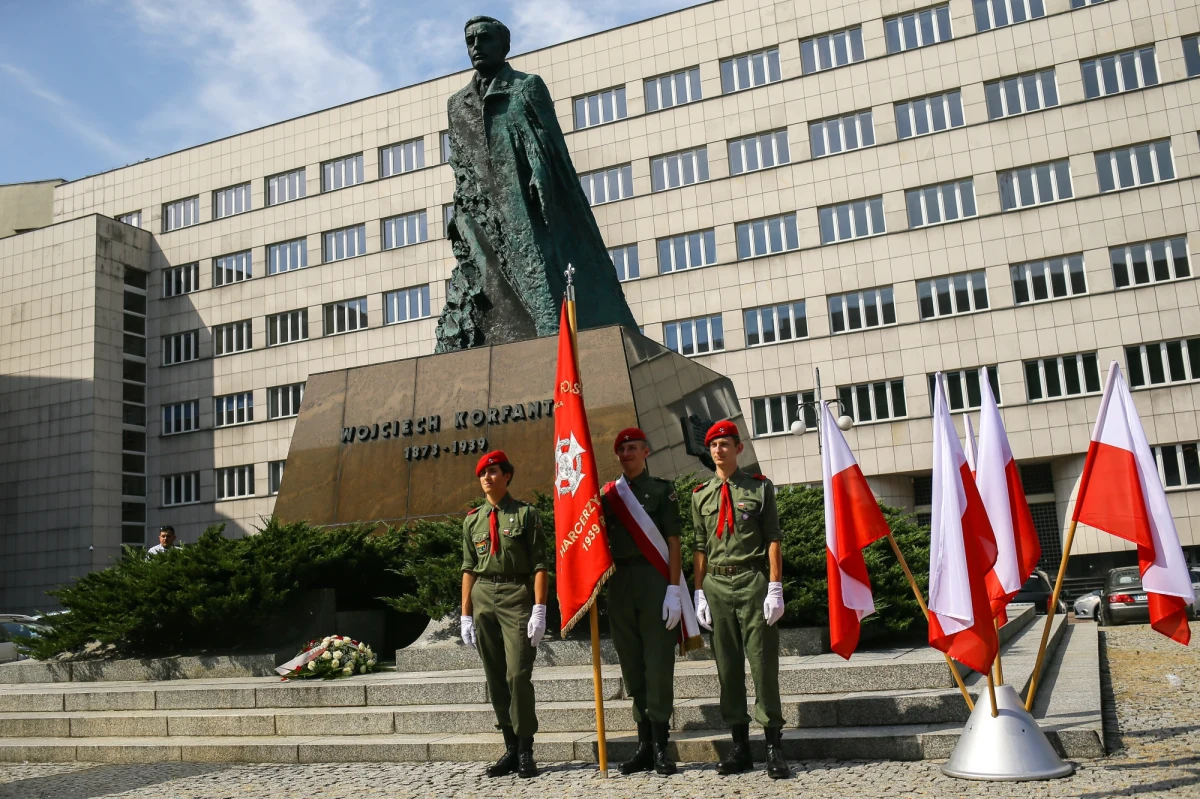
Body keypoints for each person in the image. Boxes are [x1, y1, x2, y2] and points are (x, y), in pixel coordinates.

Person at [435, 15, 637, 351]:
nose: (476, 47)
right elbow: (459, 161)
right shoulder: (457, 104)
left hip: (524, 204)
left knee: (539, 276)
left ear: (504, 46)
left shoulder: (526, 86)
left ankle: (552, 344)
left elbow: (549, 144)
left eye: (484, 39)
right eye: (470, 41)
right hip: (480, 209)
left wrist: (541, 179)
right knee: (488, 285)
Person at [691, 420, 790, 779]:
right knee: (728, 669)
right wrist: (697, 590)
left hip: (752, 581)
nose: (718, 450)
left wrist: (775, 586)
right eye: (713, 445)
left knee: (763, 667)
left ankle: (773, 748)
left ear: (738, 449)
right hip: (717, 586)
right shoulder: (700, 494)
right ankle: (740, 748)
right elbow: (699, 545)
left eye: (725, 444)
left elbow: (773, 538)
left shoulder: (759, 489)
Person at [600, 428, 687, 775]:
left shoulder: (662, 491)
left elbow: (674, 541)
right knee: (631, 664)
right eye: (621, 449)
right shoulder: (608, 495)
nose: (627, 453)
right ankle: (643, 747)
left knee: (658, 663)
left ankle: (662, 747)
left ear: (646, 451)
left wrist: (673, 589)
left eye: (633, 447)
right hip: (619, 582)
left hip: (653, 579)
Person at [460, 450, 548, 778]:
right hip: (483, 596)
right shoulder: (473, 520)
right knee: (495, 675)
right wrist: (465, 614)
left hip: (516, 596)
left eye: (494, 471)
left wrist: (539, 608)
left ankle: (526, 749)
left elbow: (540, 564)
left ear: (507, 476)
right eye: (483, 473)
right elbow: (468, 568)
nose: (487, 478)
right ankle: (510, 747)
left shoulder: (526, 514)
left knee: (517, 674)